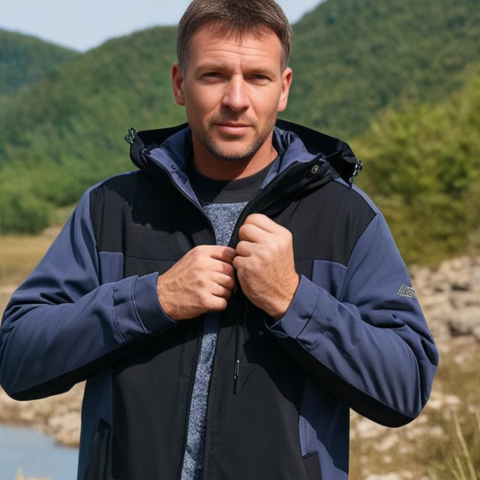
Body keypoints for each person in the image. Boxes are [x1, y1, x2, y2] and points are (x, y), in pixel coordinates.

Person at [0, 1, 439, 479]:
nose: (236, 98)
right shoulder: (110, 208)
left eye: (257, 77)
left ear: (283, 88)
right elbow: (18, 357)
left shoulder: (346, 217)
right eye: (213, 75)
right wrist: (152, 299)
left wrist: (293, 299)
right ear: (179, 83)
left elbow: (406, 385)